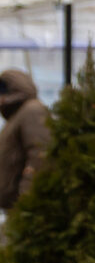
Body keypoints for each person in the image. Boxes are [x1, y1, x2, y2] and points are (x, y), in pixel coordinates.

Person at [0, 68, 52, 214]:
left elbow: (41, 153)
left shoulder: (32, 110)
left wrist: (26, 196)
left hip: (23, 207)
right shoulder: (17, 116)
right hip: (15, 207)